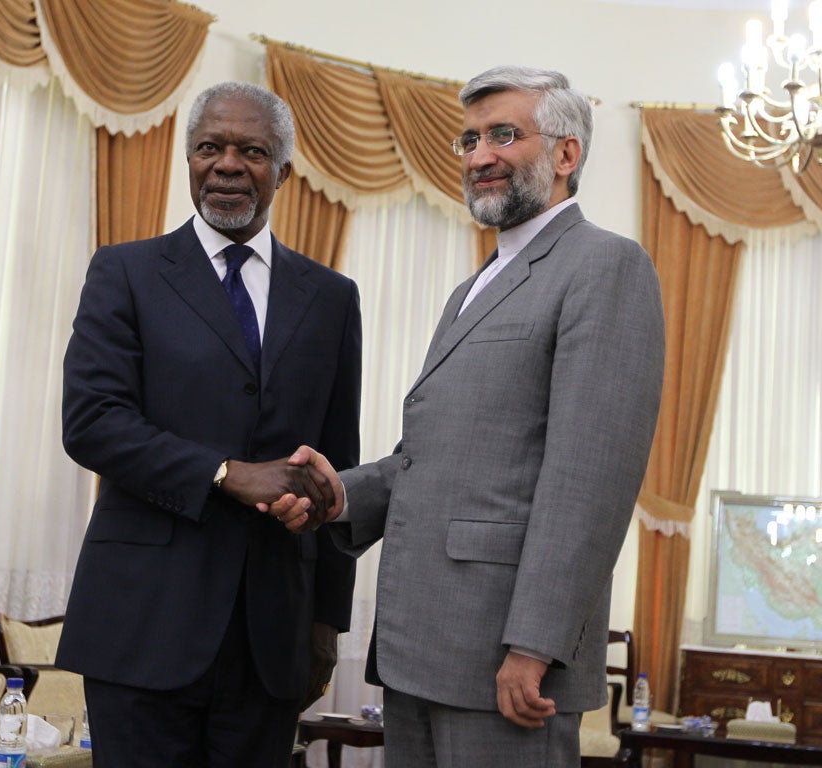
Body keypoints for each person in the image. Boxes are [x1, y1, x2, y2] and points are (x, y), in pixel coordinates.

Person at [267, 65, 665, 766]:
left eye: (503, 135)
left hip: (508, 666)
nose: (479, 155)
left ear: (566, 154)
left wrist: (533, 644)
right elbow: (431, 456)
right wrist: (337, 494)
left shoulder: (608, 266)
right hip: (421, 650)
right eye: (469, 139)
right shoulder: (472, 287)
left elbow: (590, 483)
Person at [56, 81, 362, 768]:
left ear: (283, 169)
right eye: (208, 148)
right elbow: (92, 422)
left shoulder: (332, 299)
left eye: (251, 151)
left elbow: (338, 465)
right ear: (188, 161)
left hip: (272, 641)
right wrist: (223, 473)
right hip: (142, 627)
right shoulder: (125, 272)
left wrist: (325, 622)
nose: (226, 165)